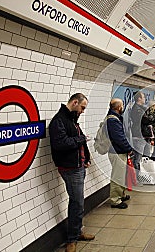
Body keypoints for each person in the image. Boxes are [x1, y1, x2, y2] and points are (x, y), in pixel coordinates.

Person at [49, 93, 95, 252]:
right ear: (75, 102)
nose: (82, 111)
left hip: (79, 166)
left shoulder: (72, 120)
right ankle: (72, 239)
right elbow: (60, 144)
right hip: (70, 168)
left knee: (78, 202)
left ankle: (77, 231)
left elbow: (80, 139)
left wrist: (87, 158)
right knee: (77, 203)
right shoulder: (59, 121)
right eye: (82, 107)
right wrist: (81, 140)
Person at [107, 98, 133, 209]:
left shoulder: (116, 118)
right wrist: (128, 148)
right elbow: (119, 138)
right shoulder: (113, 120)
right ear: (118, 107)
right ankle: (115, 200)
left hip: (119, 151)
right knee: (117, 176)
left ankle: (120, 195)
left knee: (121, 175)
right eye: (122, 105)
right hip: (117, 151)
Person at [130, 91, 153, 180]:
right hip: (139, 136)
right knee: (137, 159)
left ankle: (144, 176)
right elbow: (146, 120)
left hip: (144, 135)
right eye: (143, 97)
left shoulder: (141, 108)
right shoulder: (137, 109)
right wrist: (151, 118)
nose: (144, 99)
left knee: (145, 157)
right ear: (139, 98)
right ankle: (137, 178)